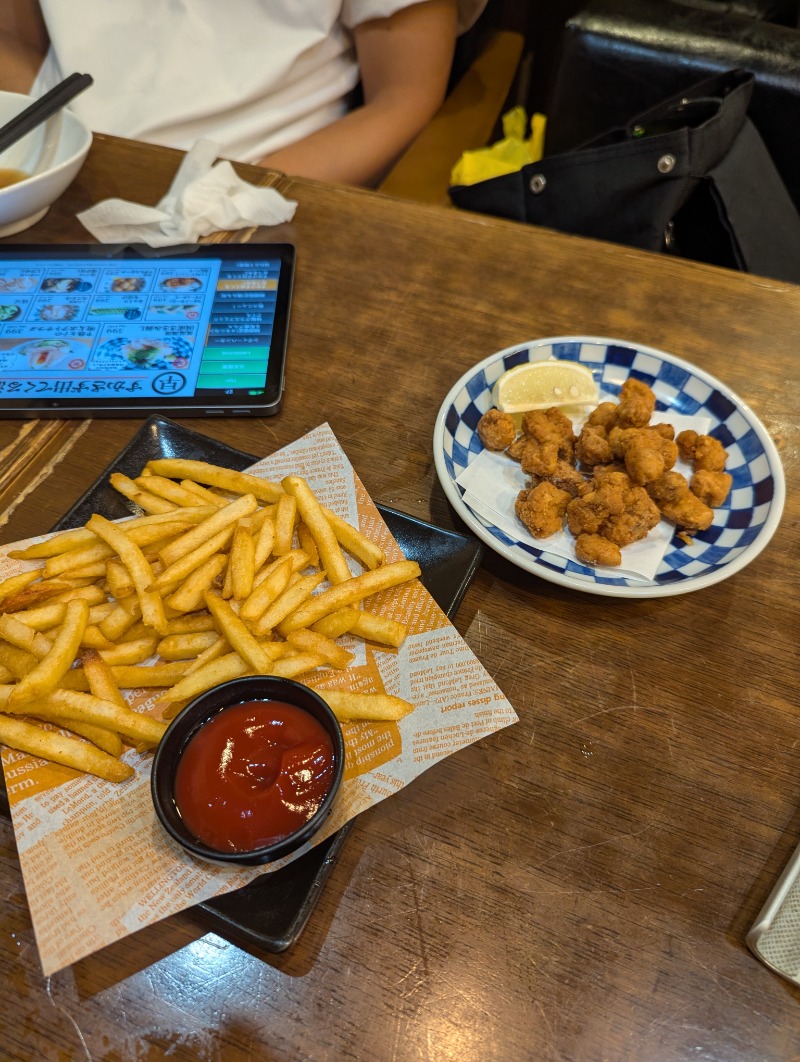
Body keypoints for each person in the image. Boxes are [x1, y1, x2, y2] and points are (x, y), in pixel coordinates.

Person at [0, 0, 487, 187]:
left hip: (268, 187)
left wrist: (235, 198)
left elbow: (403, 96)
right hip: (55, 173)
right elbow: (18, 48)